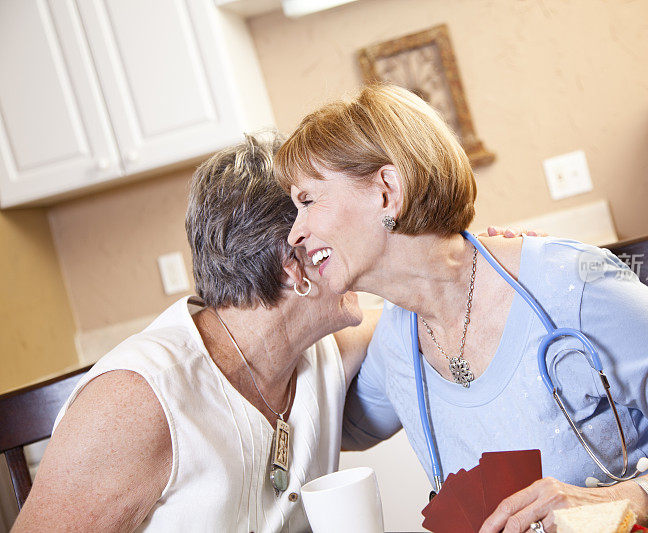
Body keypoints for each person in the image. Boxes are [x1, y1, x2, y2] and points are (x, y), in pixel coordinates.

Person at [276, 84, 648, 533]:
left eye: (307, 200)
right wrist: (321, 317)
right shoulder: (396, 338)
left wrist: (622, 500)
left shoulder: (570, 285)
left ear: (387, 191)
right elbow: (322, 431)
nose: (296, 232)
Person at [12, 133, 376, 532]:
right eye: (333, 230)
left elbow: (419, 306)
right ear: (292, 264)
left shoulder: (322, 352)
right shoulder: (137, 401)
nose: (355, 248)